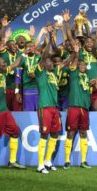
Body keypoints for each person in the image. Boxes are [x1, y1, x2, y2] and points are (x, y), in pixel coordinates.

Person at [0, 42, 25, 172]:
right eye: (2, 63)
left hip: (4, 110)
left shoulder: (3, 73)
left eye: (4, 64)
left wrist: (23, 53)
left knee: (15, 131)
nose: (5, 65)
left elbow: (15, 64)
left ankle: (12, 161)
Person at [35, 29, 63, 174]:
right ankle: (40, 165)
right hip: (44, 107)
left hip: (54, 108)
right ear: (44, 64)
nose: (51, 63)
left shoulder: (53, 74)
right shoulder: (40, 73)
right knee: (44, 135)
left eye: (52, 62)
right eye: (49, 62)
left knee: (54, 134)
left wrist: (75, 53)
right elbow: (44, 56)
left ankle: (47, 161)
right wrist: (48, 42)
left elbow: (66, 63)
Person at [64, 45, 92, 170]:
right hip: (74, 107)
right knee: (70, 132)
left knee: (83, 132)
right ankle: (67, 161)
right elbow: (73, 63)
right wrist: (76, 53)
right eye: (80, 65)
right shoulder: (73, 74)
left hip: (84, 108)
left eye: (84, 65)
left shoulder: (88, 78)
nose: (82, 66)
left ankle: (84, 161)